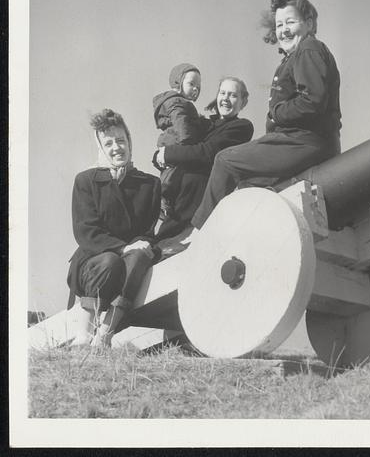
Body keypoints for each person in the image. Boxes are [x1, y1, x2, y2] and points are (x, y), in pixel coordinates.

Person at [188, 0, 341, 233]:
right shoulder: (295, 56)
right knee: (248, 186)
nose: (284, 30)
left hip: (306, 141)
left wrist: (277, 114)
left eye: (290, 22)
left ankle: (200, 232)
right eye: (279, 25)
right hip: (308, 142)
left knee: (226, 161)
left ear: (309, 23)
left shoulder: (308, 48)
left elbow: (312, 100)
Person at [67, 109, 160, 347]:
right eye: (108, 143)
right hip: (94, 261)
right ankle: (84, 332)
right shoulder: (85, 181)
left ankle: (106, 332)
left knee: (141, 254)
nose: (116, 147)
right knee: (110, 260)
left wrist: (136, 246)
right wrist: (123, 247)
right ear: (100, 148)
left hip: (130, 262)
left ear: (130, 142)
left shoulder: (150, 184)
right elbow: (86, 232)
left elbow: (146, 231)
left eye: (121, 140)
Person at [152, 76, 254, 241]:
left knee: (167, 241)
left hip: (198, 199)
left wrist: (168, 154)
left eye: (233, 95)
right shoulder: (204, 124)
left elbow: (207, 153)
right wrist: (158, 155)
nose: (226, 99)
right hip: (178, 196)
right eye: (222, 93)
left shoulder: (241, 127)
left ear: (243, 103)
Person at [152, 63, 210, 222]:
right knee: (171, 173)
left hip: (175, 141)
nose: (195, 89)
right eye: (191, 84)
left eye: (198, 86)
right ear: (178, 84)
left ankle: (166, 201)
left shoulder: (180, 102)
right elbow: (181, 122)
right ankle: (161, 199)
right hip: (176, 142)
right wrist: (187, 141)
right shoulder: (177, 102)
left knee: (174, 174)